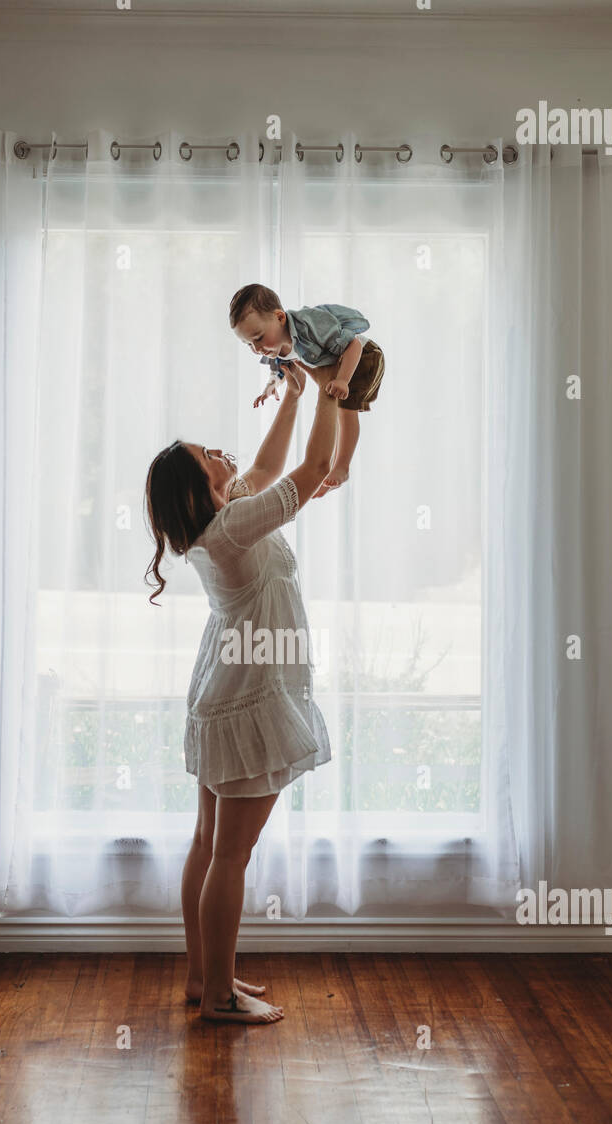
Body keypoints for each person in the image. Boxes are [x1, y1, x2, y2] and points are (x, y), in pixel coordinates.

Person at [144, 363, 339, 1024]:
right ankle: (221, 1000)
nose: (219, 452)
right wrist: (335, 396)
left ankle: (205, 979)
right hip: (247, 697)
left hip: (224, 690)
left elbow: (268, 460)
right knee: (230, 853)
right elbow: (312, 470)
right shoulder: (229, 530)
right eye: (207, 457)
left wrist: (293, 393)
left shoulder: (223, 519)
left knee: (208, 843)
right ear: (197, 486)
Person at [229, 282, 385, 496]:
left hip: (362, 357)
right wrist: (271, 386)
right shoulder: (274, 345)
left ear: (280, 317)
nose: (257, 349)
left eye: (258, 338)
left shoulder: (311, 324)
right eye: (249, 344)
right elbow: (281, 369)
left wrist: (342, 379)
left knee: (345, 410)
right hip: (338, 366)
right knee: (336, 410)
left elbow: (353, 344)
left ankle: (342, 466)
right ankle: (329, 469)